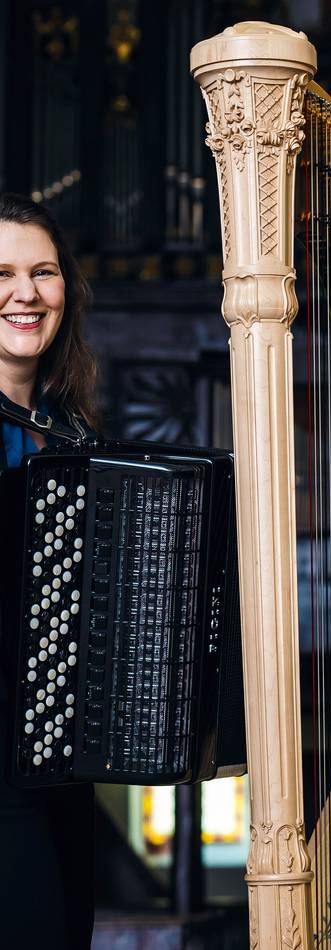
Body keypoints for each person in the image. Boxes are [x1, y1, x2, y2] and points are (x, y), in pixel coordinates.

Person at [0, 193, 99, 949]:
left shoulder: (72, 433)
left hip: (63, 761)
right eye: (2, 273)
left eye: (44, 272)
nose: (26, 293)